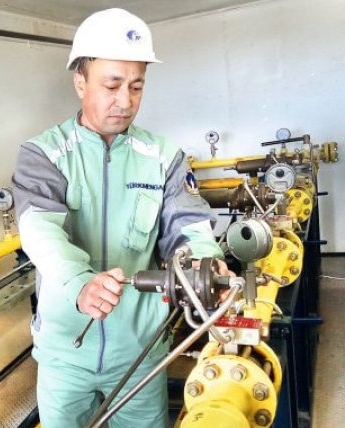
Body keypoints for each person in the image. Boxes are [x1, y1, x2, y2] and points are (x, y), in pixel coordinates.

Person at [12, 9, 229, 427]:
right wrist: (80, 283)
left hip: (140, 351)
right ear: (80, 82)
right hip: (64, 355)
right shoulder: (44, 154)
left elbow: (189, 226)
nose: (125, 101)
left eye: (136, 86)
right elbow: (40, 230)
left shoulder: (164, 157)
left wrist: (206, 263)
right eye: (111, 85)